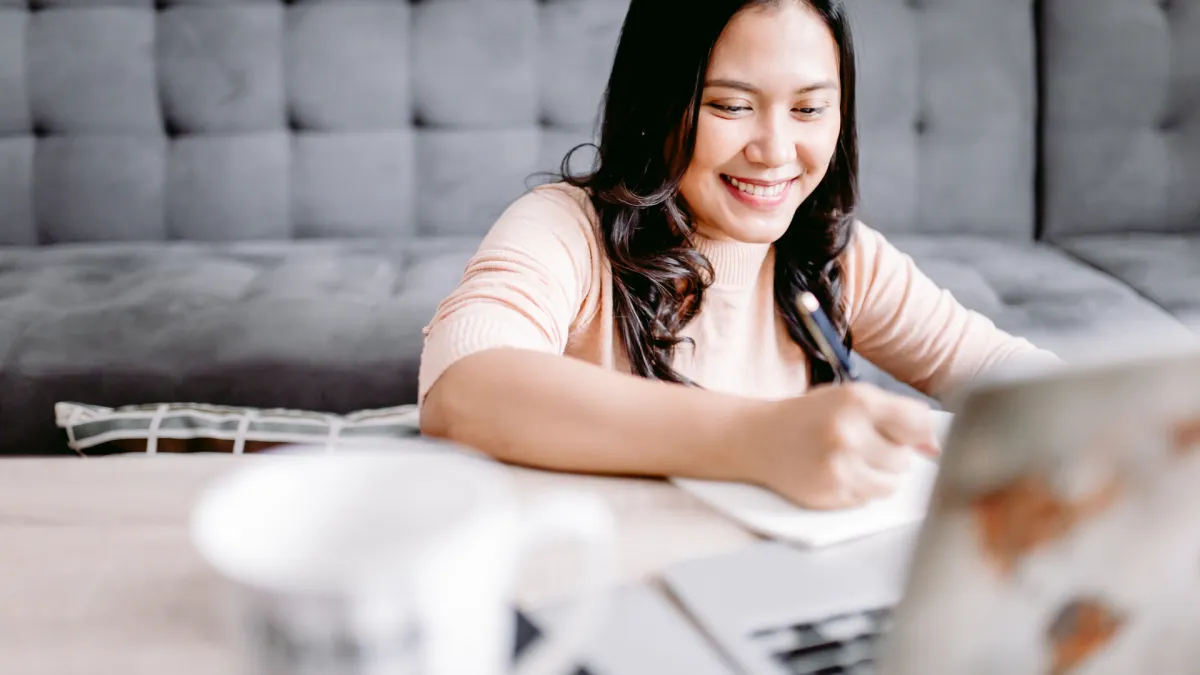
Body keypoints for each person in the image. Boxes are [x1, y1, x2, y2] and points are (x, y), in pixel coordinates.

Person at [417, 0, 1059, 509]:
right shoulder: (566, 228)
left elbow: (1013, 378)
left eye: (810, 108)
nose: (776, 149)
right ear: (658, 104)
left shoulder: (839, 254)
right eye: (731, 105)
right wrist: (761, 438)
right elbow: (462, 392)